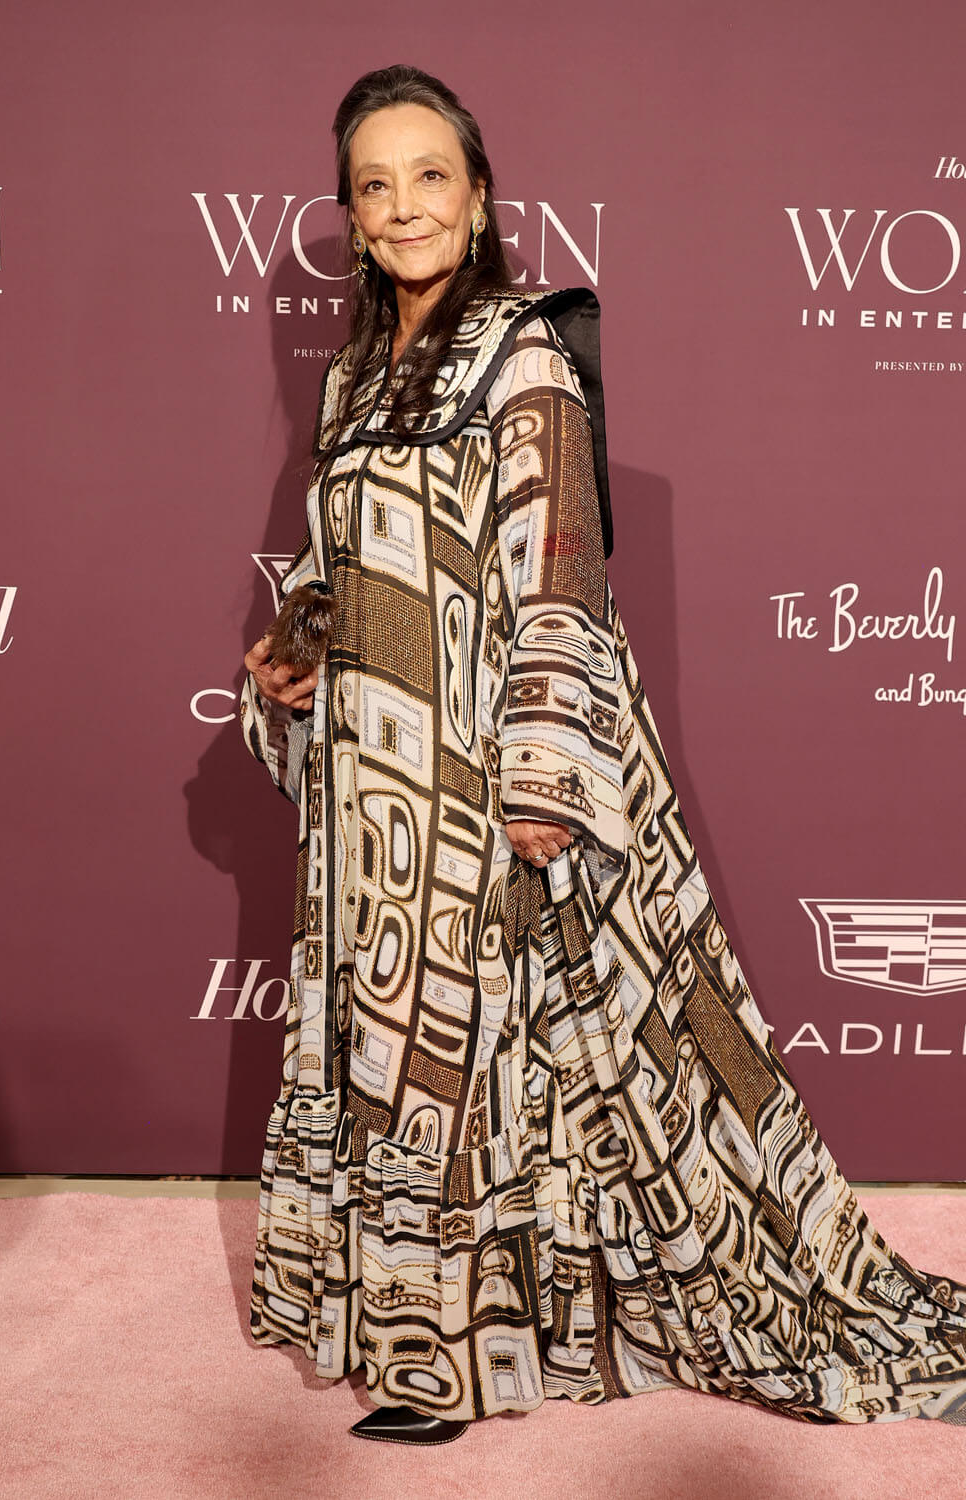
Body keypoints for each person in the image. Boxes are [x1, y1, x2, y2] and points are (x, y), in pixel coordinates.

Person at [240, 64, 966, 1447]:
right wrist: (295, 651)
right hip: (372, 785)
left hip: (480, 769)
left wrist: (543, 777)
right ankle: (408, 1317)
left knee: (479, 1046)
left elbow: (559, 573)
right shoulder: (346, 381)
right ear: (351, 214)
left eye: (430, 176)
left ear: (480, 195)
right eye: (375, 186)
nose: (404, 207)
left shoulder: (526, 355)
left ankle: (449, 1356)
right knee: (391, 1039)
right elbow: (347, 573)